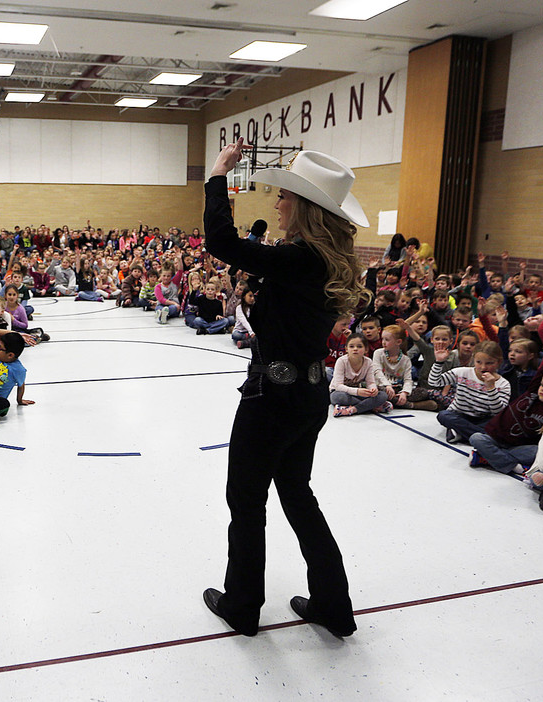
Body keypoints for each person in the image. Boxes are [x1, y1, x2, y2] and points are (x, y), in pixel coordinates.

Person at [201, 139, 365, 639]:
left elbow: (222, 244)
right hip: (308, 395)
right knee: (297, 494)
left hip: (272, 399)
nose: (277, 203)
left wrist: (218, 176)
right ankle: (334, 606)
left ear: (306, 208)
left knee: (246, 500)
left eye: (285, 197)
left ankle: (244, 604)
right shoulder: (327, 259)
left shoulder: (300, 258)